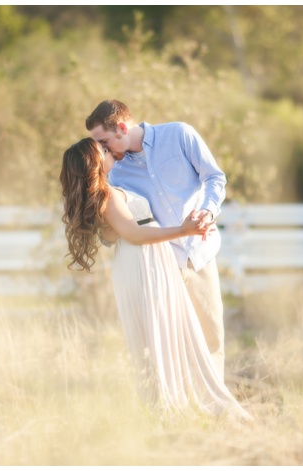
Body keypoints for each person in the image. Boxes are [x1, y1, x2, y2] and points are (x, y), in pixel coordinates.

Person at [60, 138, 251, 421]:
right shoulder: (108, 195)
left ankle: (178, 399)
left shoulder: (106, 192)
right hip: (143, 260)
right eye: (101, 150)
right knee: (162, 330)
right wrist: (183, 231)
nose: (107, 149)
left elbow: (119, 233)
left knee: (164, 330)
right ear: (94, 162)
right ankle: (174, 404)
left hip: (143, 260)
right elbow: (135, 234)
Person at [85, 99, 228, 380]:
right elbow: (116, 226)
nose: (100, 149)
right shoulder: (113, 170)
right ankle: (180, 408)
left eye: (103, 141)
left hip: (198, 254)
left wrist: (208, 213)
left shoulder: (179, 135)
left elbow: (214, 178)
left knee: (212, 338)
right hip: (160, 265)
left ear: (121, 129)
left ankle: (215, 410)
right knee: (169, 344)